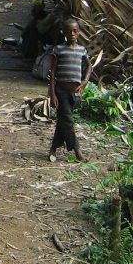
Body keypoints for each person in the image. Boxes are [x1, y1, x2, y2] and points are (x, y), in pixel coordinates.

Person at [48, 18, 91, 162]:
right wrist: (52, 93)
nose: (72, 33)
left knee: (63, 121)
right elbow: (52, 72)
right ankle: (77, 151)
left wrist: (85, 81)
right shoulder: (59, 49)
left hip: (74, 93)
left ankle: (53, 148)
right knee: (68, 121)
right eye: (69, 31)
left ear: (79, 33)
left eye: (75, 31)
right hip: (61, 91)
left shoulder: (82, 50)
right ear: (64, 33)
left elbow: (89, 66)